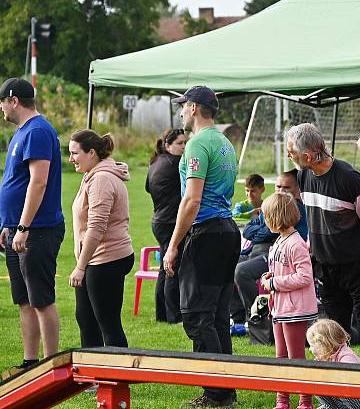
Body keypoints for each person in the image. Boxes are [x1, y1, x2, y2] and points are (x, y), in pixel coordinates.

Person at [286, 123, 360, 366]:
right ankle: (341, 393)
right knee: (332, 333)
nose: (289, 156)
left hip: (359, 268)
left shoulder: (349, 178)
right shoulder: (302, 175)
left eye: (291, 151)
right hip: (327, 270)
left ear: (308, 156)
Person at [163, 85, 239, 408]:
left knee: (196, 315)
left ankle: (217, 392)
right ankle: (226, 387)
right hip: (227, 231)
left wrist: (173, 244)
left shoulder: (196, 145)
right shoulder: (225, 142)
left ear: (194, 109)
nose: (180, 111)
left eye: (183, 106)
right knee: (218, 316)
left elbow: (192, 200)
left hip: (206, 233)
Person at [0, 78, 64, 370]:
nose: (1, 108)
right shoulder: (22, 132)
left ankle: (51, 366)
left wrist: (23, 227)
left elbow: (38, 182)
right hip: (18, 229)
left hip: (37, 230)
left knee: (41, 299)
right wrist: (10, 224)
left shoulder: (37, 131)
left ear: (13, 100)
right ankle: (31, 363)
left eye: (1, 102)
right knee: (24, 300)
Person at [68, 130, 135, 347]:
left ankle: (117, 377)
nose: (70, 159)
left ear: (92, 153)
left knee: (107, 324)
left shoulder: (101, 180)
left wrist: (80, 266)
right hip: (98, 258)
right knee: (87, 319)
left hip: (106, 258)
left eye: (75, 153)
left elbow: (96, 227)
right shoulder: (94, 175)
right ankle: (93, 375)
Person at [260, 191, 317, 409]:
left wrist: (275, 283)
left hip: (295, 310)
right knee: (280, 356)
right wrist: (270, 277)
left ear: (275, 218)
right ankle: (282, 401)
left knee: (296, 357)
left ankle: (305, 402)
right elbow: (282, 270)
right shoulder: (279, 242)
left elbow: (304, 277)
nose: (265, 221)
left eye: (266, 217)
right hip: (279, 309)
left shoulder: (297, 244)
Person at [233, 171, 308, 320]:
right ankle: (238, 315)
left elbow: (270, 231)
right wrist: (263, 230)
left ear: (298, 190)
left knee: (242, 271)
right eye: (278, 186)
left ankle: (259, 315)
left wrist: (262, 230)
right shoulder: (271, 204)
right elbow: (248, 231)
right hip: (256, 250)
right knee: (226, 264)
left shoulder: (293, 208)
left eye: (286, 188)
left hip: (278, 255)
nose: (281, 191)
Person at [145, 127, 187, 323]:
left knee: (165, 267)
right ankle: (174, 315)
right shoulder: (176, 163)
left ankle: (162, 314)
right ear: (167, 145)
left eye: (186, 143)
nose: (184, 147)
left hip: (159, 220)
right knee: (172, 268)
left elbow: (147, 188)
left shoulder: (155, 162)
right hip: (170, 222)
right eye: (180, 143)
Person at [306, 319, 360, 409]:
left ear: (324, 344)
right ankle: (330, 406)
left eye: (312, 345)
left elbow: (351, 383)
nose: (310, 349)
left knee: (338, 385)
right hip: (346, 397)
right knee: (315, 381)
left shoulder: (346, 357)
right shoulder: (326, 357)